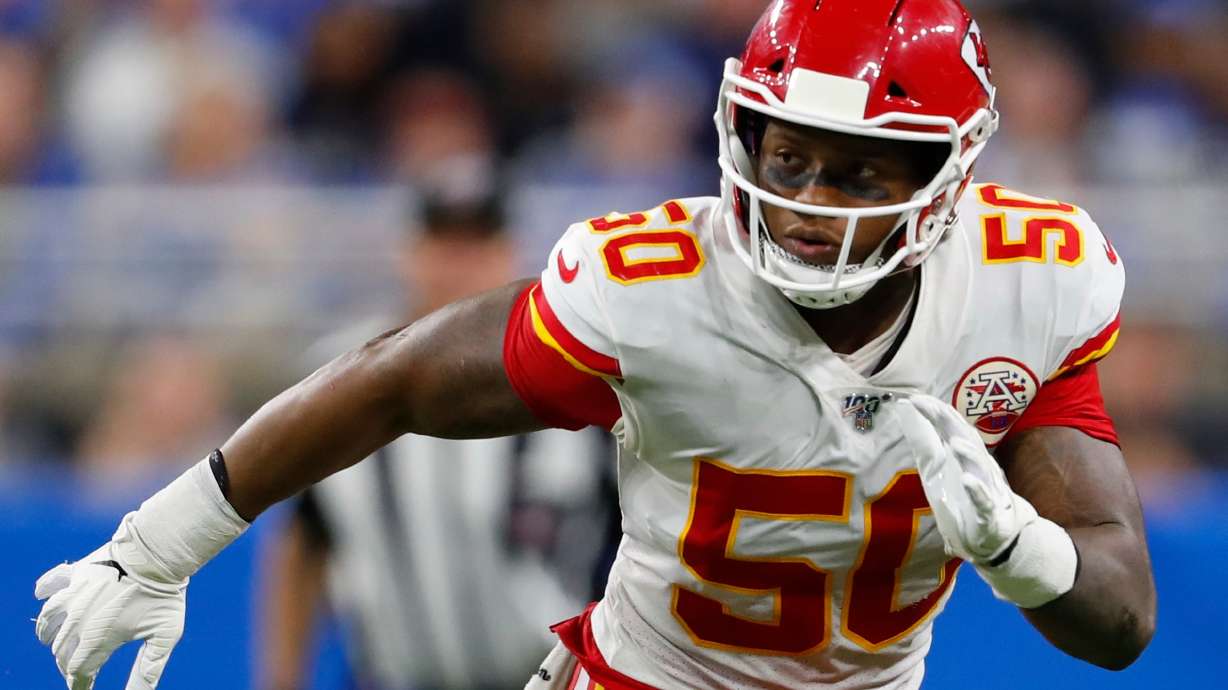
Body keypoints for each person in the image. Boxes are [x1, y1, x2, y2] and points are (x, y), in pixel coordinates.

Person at [33, 1, 1156, 689]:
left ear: (943, 177)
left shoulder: (1026, 284)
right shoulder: (655, 290)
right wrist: (162, 539)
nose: (809, 203)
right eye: (785, 158)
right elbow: (396, 378)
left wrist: (1024, 553)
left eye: (859, 171)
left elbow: (1120, 625)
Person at [257, 191, 616, 690]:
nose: (459, 267)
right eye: (445, 246)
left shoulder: (577, 374)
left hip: (548, 678)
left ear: (508, 252)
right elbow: (303, 537)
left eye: (477, 246)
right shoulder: (341, 381)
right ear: (410, 254)